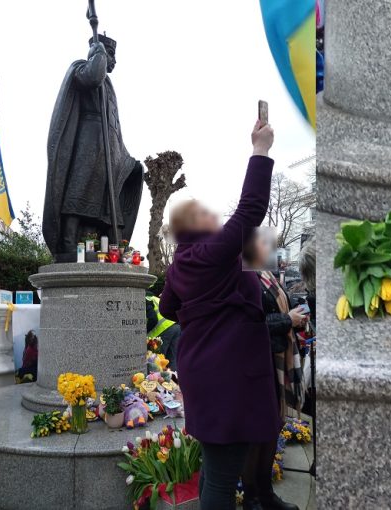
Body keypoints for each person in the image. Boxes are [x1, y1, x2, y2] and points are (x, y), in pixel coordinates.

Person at [159, 118, 276, 510]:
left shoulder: (181, 265)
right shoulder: (214, 253)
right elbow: (251, 211)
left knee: (215, 467)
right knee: (223, 480)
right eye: (206, 214)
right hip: (229, 377)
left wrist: (204, 316)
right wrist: (260, 151)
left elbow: (167, 307)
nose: (215, 216)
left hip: (203, 373)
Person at [43, 34, 144, 262]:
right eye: (111, 56)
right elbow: (92, 77)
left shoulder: (109, 85)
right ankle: (68, 243)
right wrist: (97, 52)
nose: (113, 62)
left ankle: (102, 246)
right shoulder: (83, 68)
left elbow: (116, 128)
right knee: (79, 189)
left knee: (105, 201)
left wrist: (127, 160)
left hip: (109, 146)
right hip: (88, 138)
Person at [240, 230, 304, 510]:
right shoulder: (245, 279)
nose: (274, 253)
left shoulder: (267, 277)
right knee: (257, 433)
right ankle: (253, 497)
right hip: (256, 364)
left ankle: (266, 495)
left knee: (271, 430)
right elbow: (247, 327)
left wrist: (297, 320)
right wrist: (287, 320)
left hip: (275, 360)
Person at [145, 295, 181, 370]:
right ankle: (174, 380)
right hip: (175, 326)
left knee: (157, 361)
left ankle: (157, 381)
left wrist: (144, 332)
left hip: (162, 331)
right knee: (172, 359)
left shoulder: (145, 300)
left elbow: (153, 319)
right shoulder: (154, 298)